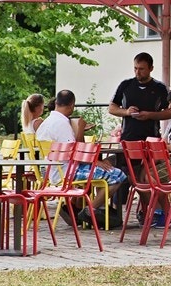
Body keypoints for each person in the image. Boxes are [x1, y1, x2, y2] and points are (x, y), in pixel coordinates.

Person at [35, 89, 128, 225]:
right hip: (67, 172)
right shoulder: (62, 124)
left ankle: (73, 209)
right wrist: (80, 130)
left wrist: (95, 161)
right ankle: (90, 210)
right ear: (72, 105)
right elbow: (78, 151)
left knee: (104, 167)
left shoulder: (46, 123)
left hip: (52, 171)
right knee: (117, 176)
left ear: (56, 103)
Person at [108, 52, 171, 141]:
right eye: (135, 68)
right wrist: (127, 112)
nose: (137, 72)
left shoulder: (160, 87)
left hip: (151, 139)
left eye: (141, 69)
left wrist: (150, 115)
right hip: (127, 138)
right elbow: (111, 108)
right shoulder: (125, 85)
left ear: (151, 69)